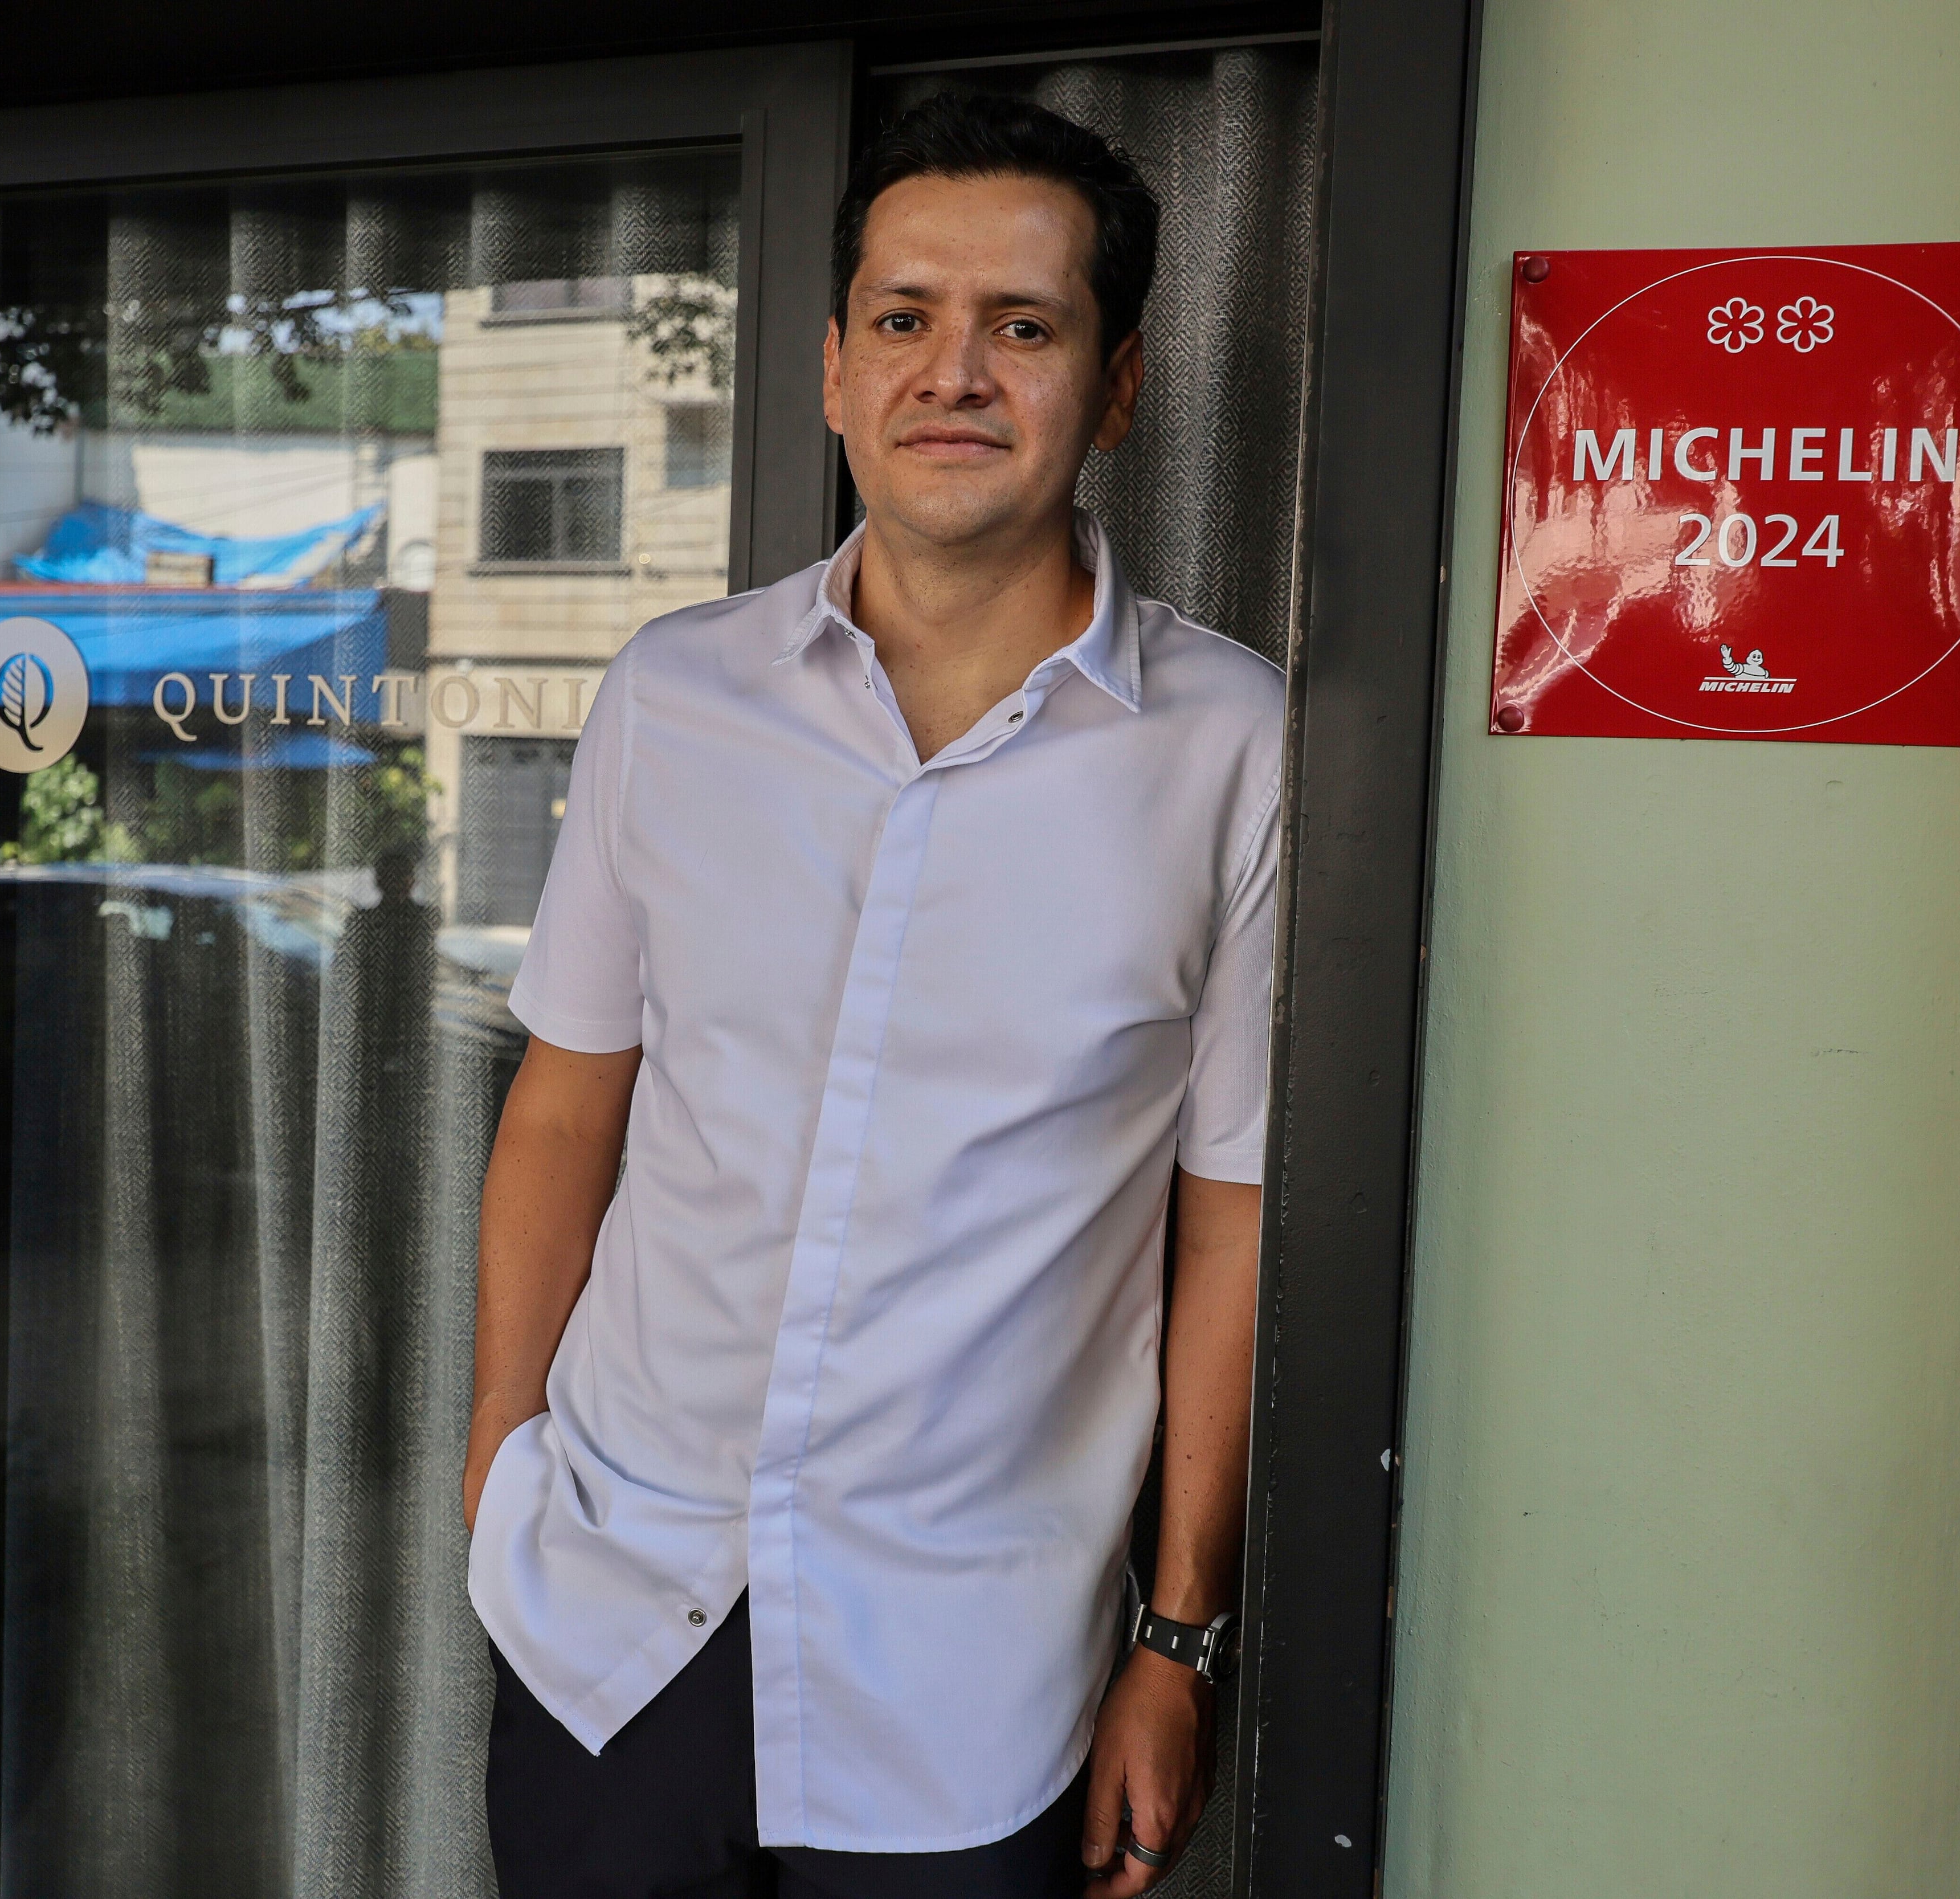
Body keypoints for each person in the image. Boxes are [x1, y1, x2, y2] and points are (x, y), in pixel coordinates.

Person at [464, 91, 1281, 1899]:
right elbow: (566, 1104)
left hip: (974, 1674)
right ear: (834, 372)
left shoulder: (1234, 748)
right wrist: (496, 1468)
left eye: (1025, 326)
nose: (955, 374)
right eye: (906, 320)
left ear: (1119, 385)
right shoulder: (675, 696)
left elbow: (1228, 1219)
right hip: (617, 1612)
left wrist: (1180, 1636)